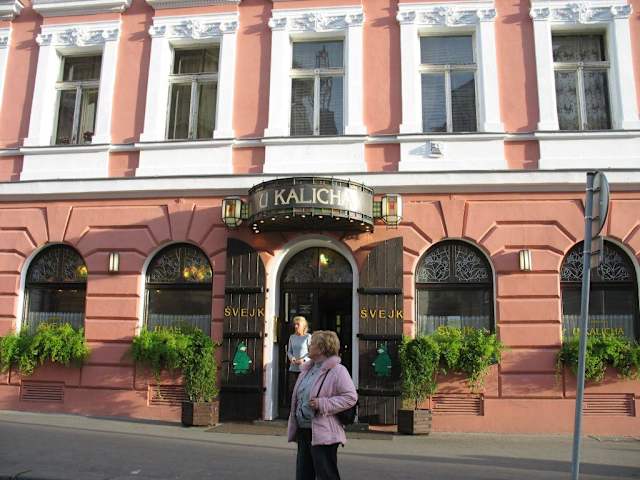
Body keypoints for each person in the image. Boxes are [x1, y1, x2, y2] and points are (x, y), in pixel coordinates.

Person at [288, 330, 357, 480]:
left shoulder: (338, 371)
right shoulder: (306, 370)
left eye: (312, 343)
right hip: (304, 431)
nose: (308, 346)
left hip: (325, 432)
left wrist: (322, 403)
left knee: (326, 475)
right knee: (303, 476)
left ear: (322, 348)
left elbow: (351, 397)